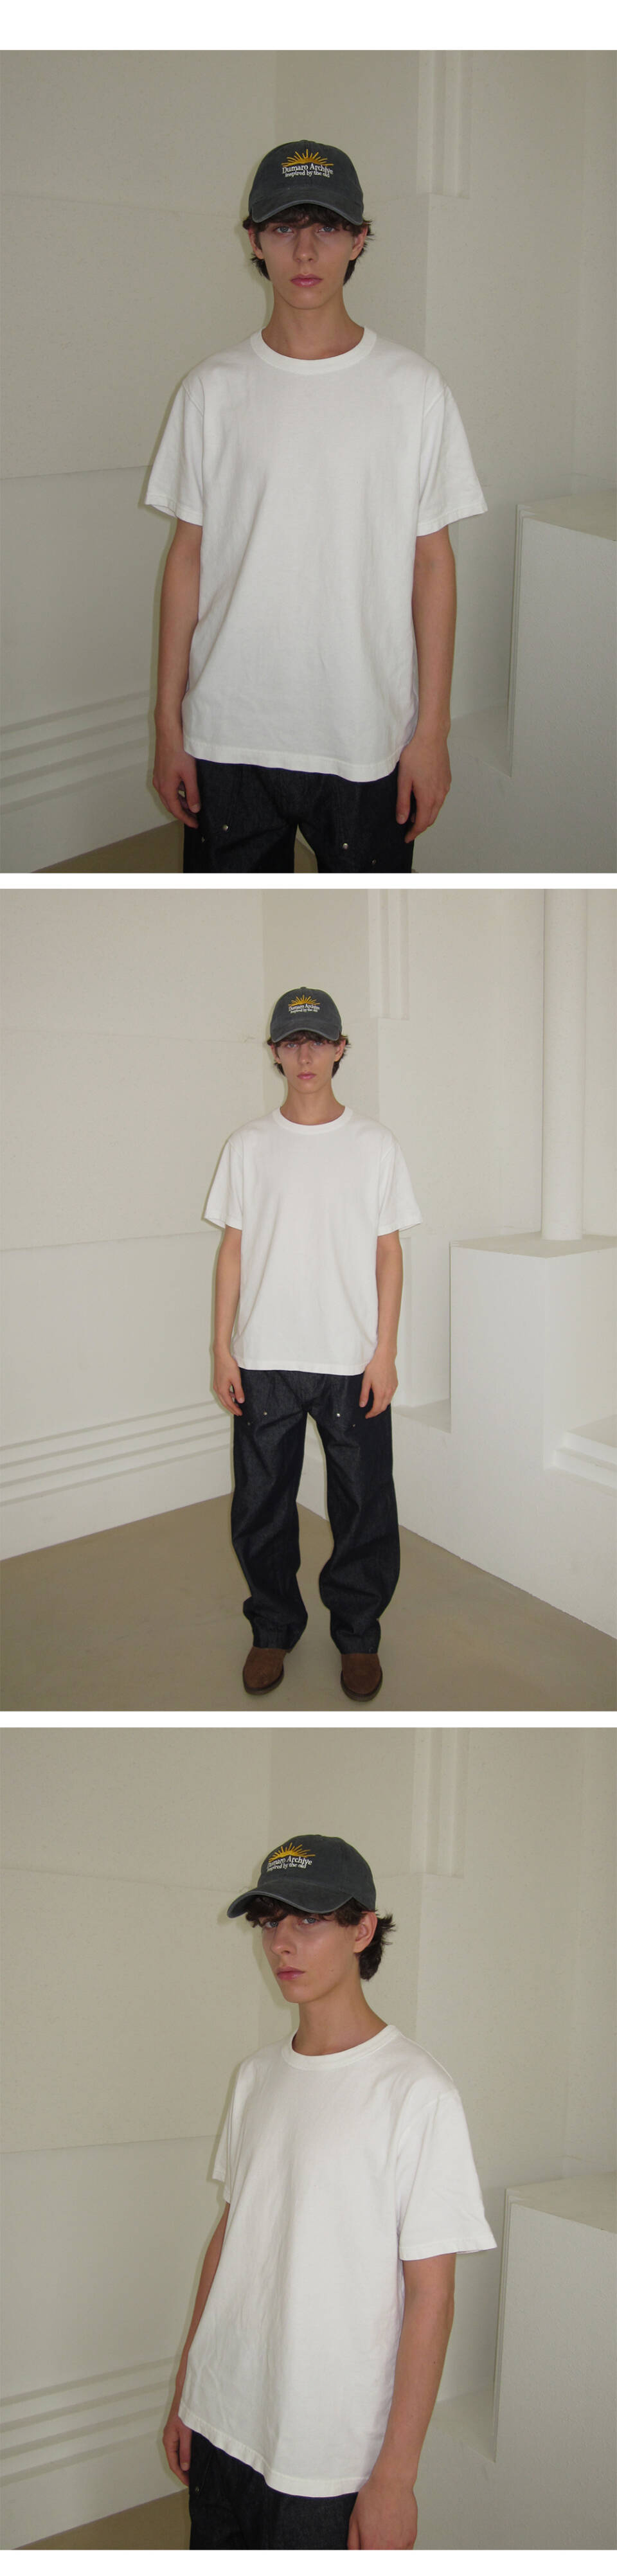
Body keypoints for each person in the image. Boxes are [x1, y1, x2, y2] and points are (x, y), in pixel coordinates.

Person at [147, 138, 487, 872]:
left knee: (366, 913)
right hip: (230, 729)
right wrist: (168, 725)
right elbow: (187, 558)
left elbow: (433, 565)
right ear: (254, 241)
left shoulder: (414, 390)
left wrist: (433, 732)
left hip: (365, 731)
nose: (305, 251)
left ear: (360, 239)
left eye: (327, 227)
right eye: (284, 227)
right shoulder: (212, 390)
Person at [162, 1830, 497, 2550]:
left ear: (363, 1930)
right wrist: (190, 2387)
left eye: (309, 1920)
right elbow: (232, 2237)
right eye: (269, 1921)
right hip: (222, 2420)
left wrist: (395, 2478)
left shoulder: (416, 2092)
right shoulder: (256, 2077)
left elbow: (432, 2298)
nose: (282, 1943)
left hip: (324, 2455)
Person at [203, 983, 422, 1701]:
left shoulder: (375, 1145)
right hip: (264, 1357)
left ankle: (358, 1636)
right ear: (274, 1052)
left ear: (340, 1049)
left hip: (351, 1359)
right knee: (261, 1505)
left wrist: (386, 1352)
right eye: (292, 1042)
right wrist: (222, 1348)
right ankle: (273, 1627)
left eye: (318, 1041)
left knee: (364, 1506)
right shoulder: (248, 1146)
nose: (306, 1056)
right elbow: (233, 1250)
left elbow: (389, 1253)